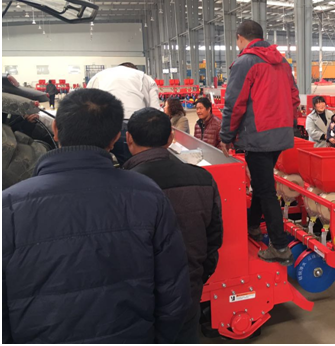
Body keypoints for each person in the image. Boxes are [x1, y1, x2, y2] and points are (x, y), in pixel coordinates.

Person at [2, 89, 190, 343]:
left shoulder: (9, 206)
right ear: (116, 138)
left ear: (55, 129)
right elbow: (173, 289)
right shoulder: (147, 194)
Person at [123, 108, 223, 343]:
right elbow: (214, 238)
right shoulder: (203, 179)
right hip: (188, 289)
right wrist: (197, 276)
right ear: (171, 138)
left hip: (138, 299)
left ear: (128, 139)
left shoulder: (120, 187)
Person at [220, 20, 300, 266]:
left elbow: (234, 103)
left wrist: (226, 136)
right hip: (280, 135)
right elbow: (294, 97)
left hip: (257, 136)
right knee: (261, 181)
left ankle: (279, 246)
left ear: (240, 38)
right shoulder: (282, 62)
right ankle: (253, 225)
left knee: (265, 190)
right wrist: (289, 125)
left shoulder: (245, 62)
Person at [87, 62, 160, 165]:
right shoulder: (145, 77)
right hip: (135, 124)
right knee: (134, 164)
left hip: (103, 124)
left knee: (101, 164)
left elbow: (87, 105)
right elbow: (155, 111)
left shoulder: (98, 76)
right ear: (135, 70)